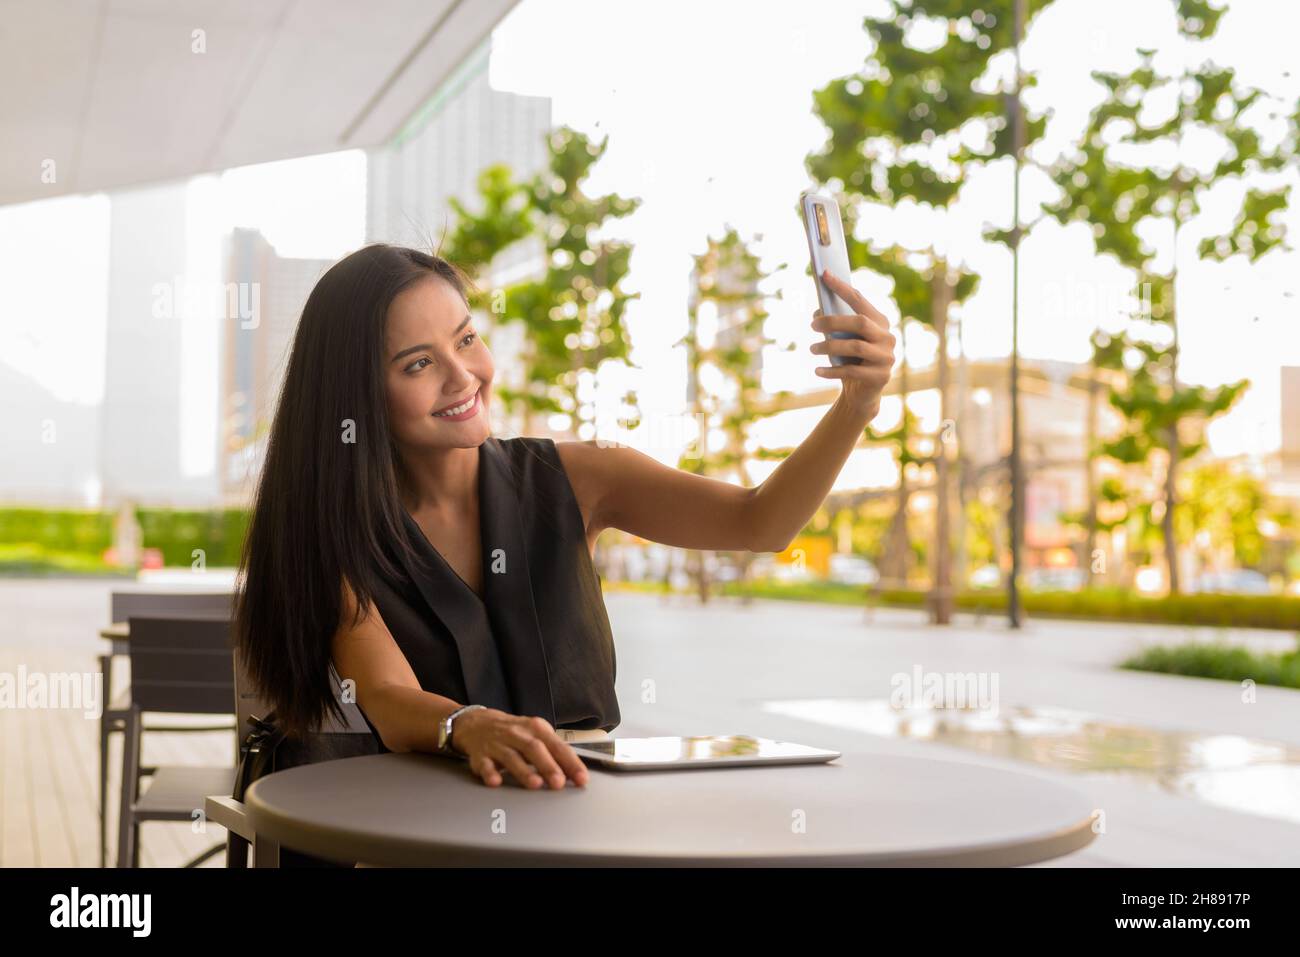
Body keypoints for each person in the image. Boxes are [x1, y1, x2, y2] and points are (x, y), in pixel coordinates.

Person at [234, 243, 894, 796]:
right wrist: (467, 726)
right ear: (358, 394)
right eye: (418, 363)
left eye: (466, 338)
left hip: (582, 807)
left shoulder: (581, 475)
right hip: (428, 820)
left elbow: (761, 523)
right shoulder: (340, 530)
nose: (465, 376)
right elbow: (383, 691)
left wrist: (855, 407)